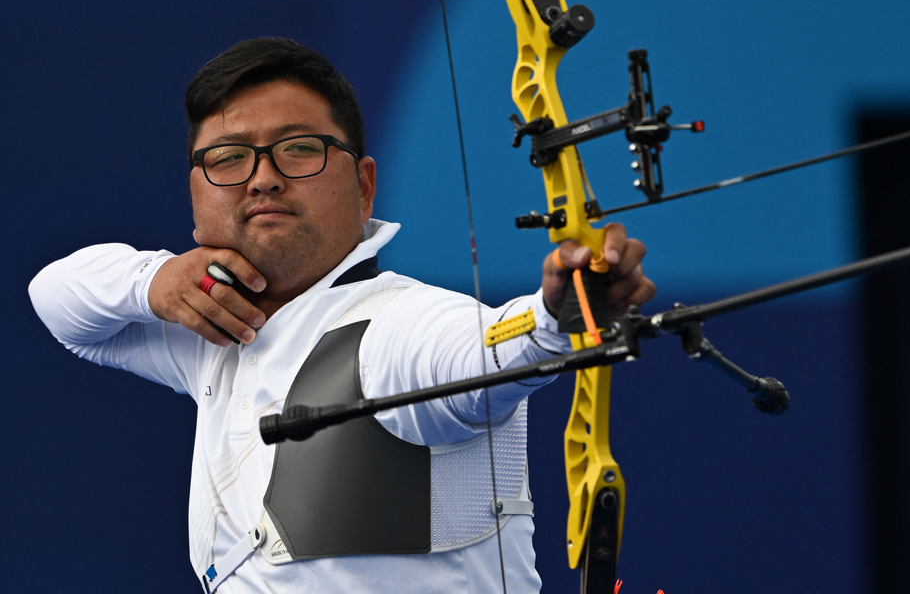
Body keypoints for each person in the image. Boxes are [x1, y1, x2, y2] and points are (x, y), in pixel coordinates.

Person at [29, 37, 655, 593]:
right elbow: (57, 298)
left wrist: (551, 318)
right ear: (196, 193)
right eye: (227, 158)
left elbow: (481, 350)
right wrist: (153, 280)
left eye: (299, 150)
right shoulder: (214, 332)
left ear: (363, 185)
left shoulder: (401, 324)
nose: (263, 178)